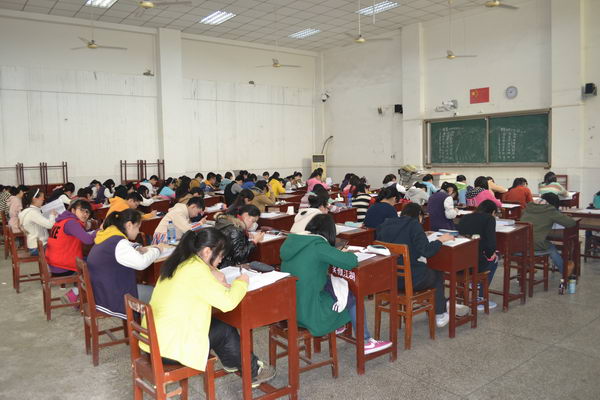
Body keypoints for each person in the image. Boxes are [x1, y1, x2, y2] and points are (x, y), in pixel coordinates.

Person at [140, 228, 276, 387]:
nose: (220, 261)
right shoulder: (196, 271)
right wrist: (242, 282)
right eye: (220, 256)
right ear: (206, 251)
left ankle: (233, 362)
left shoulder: (181, 262)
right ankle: (253, 372)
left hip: (154, 341)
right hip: (169, 349)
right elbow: (228, 303)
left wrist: (213, 271)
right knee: (225, 330)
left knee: (218, 325)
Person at [281, 214, 392, 354]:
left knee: (331, 283)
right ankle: (366, 341)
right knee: (353, 297)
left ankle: (339, 325)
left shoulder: (295, 242)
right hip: (311, 313)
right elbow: (350, 262)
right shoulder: (318, 246)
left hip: (292, 309)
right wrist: (346, 253)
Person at [376, 203, 468, 327]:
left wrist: (421, 236)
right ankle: (440, 314)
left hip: (389, 279)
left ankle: (443, 303)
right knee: (436, 271)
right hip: (411, 280)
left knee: (426, 270)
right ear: (419, 215)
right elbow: (427, 251)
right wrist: (440, 240)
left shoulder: (386, 224)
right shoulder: (414, 225)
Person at [87, 209, 169, 319]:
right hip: (114, 298)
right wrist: (158, 250)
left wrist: (137, 247)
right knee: (160, 294)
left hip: (102, 292)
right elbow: (142, 263)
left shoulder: (109, 235)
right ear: (129, 225)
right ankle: (150, 328)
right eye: (138, 227)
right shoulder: (119, 243)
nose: (138, 231)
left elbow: (125, 245)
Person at [46, 200, 96, 303]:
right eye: (82, 210)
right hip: (62, 266)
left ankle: (79, 296)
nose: (85, 214)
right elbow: (88, 240)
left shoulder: (62, 220)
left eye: (87, 212)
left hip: (54, 263)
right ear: (73, 210)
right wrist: (100, 231)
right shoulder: (71, 223)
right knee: (97, 266)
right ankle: (75, 293)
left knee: (90, 261)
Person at [521, 193, 576, 276]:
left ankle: (527, 266)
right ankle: (564, 270)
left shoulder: (527, 208)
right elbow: (571, 223)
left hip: (521, 244)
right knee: (551, 248)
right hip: (536, 245)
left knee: (544, 242)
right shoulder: (550, 210)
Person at [457, 200, 499, 310]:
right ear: (493, 212)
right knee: (495, 260)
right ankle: (480, 296)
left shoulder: (466, 217)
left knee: (482, 256)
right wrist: (491, 254)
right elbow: (491, 243)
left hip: (459, 263)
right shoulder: (489, 219)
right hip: (475, 264)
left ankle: (471, 286)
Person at [18, 188, 57, 255]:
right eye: (42, 198)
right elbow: (50, 225)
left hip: (34, 244)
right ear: (34, 199)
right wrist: (52, 214)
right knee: (63, 248)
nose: (43, 199)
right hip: (38, 247)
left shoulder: (28, 210)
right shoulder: (32, 213)